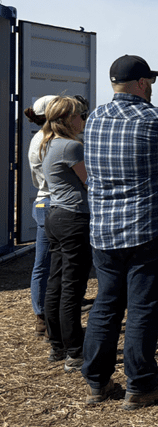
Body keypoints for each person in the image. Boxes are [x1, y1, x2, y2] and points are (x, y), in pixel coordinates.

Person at [81, 55, 158, 410]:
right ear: (143, 83)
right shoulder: (157, 118)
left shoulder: (94, 118)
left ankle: (97, 382)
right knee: (144, 308)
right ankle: (142, 383)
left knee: (106, 305)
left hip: (104, 231)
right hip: (150, 229)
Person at [39, 96, 92, 372]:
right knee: (72, 287)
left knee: (56, 283)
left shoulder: (50, 143)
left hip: (56, 215)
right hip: (74, 218)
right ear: (67, 119)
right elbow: (90, 182)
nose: (83, 119)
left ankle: (57, 345)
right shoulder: (72, 146)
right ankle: (75, 351)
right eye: (80, 115)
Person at [24, 95, 57, 339]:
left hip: (43, 201)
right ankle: (48, 319)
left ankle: (42, 317)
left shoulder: (38, 138)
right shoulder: (51, 141)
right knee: (51, 265)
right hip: (54, 204)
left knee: (43, 263)